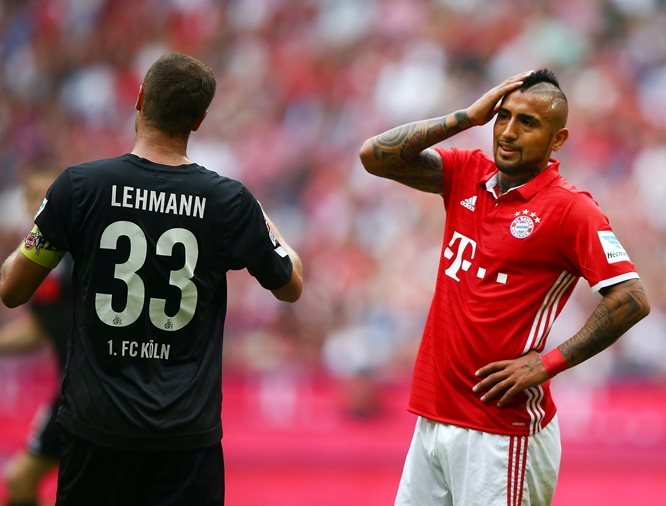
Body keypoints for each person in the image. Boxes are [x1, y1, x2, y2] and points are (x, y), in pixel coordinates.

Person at [0, 52, 303, 506]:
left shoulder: (79, 187)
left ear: (139, 100)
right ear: (199, 120)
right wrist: (264, 221)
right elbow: (290, 284)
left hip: (94, 430)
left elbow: (11, 288)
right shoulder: (228, 201)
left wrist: (47, 230)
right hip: (186, 439)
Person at [359, 68, 650, 506]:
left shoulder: (571, 209)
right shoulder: (466, 173)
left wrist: (548, 363)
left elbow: (631, 299)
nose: (509, 132)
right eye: (504, 117)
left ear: (558, 140)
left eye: (528, 122)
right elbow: (374, 157)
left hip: (500, 431)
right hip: (434, 416)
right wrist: (466, 117)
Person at [0, 165, 73, 506]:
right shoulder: (44, 255)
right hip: (70, 389)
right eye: (33, 196)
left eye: (48, 195)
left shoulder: (76, 251)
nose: (40, 203)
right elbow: (42, 328)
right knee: (20, 480)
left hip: (89, 389)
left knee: (21, 478)